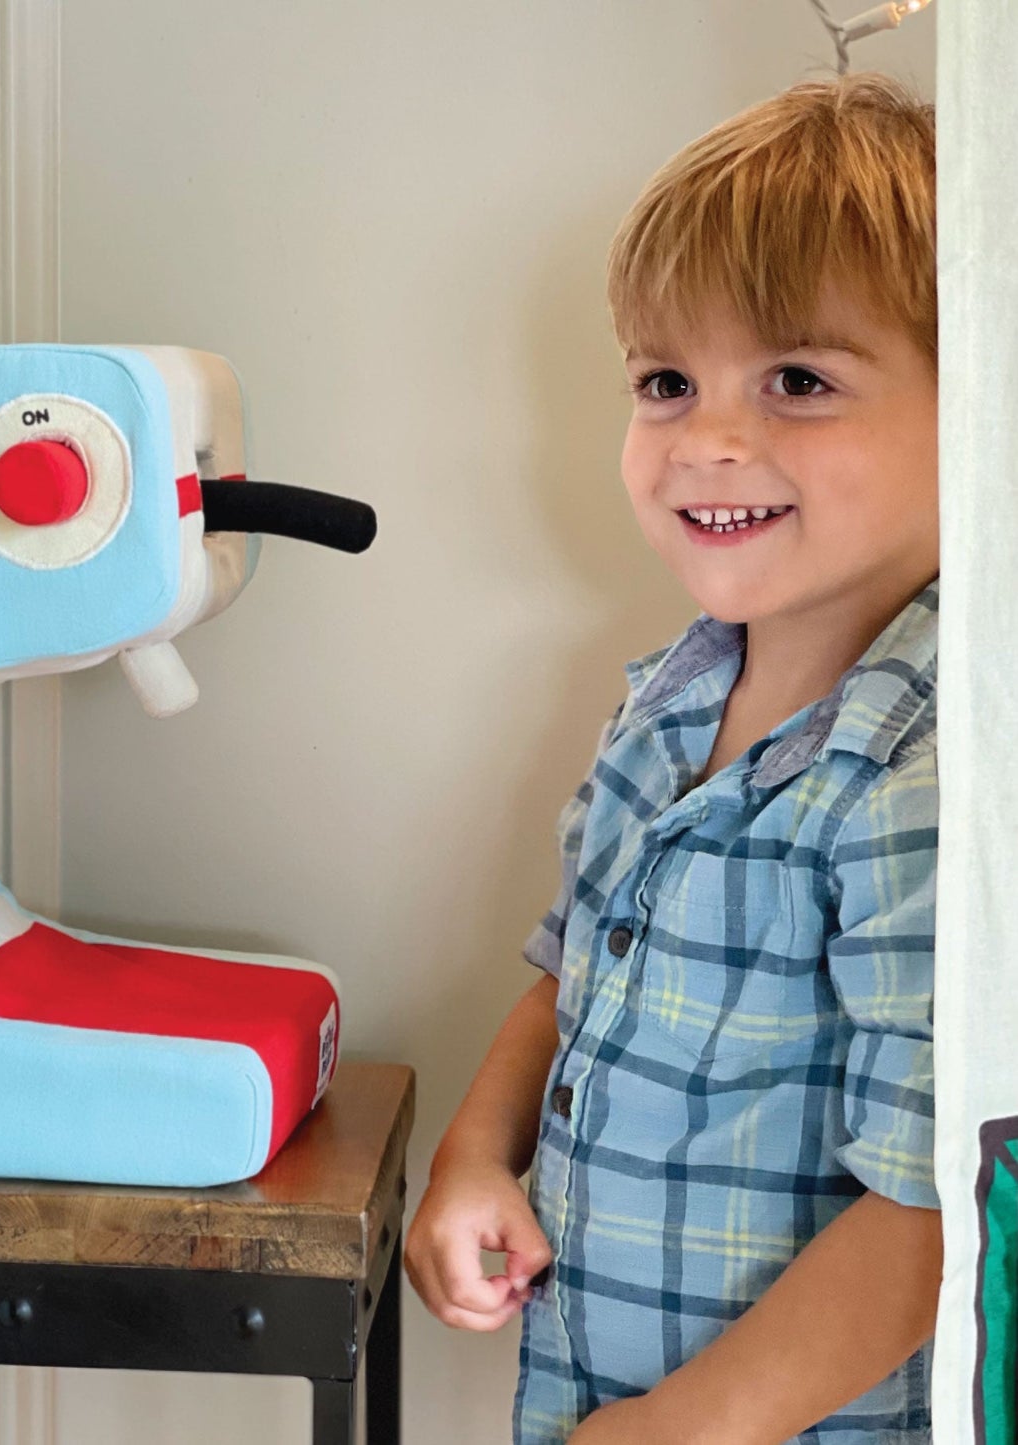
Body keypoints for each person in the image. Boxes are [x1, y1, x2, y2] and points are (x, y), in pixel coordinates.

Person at [404, 72, 943, 1444]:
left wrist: (686, 1428)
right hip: (599, 1388)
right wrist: (475, 1155)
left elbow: (928, 1199)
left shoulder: (924, 769)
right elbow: (568, 967)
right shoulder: (667, 697)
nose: (707, 438)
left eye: (799, 379)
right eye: (665, 381)